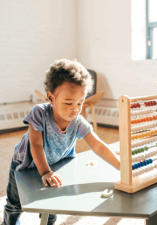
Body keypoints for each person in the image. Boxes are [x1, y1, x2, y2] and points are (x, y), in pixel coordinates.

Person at [2, 59, 120, 225]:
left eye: (80, 102)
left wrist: (122, 167)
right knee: (15, 205)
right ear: (51, 97)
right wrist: (44, 172)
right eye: (68, 103)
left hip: (55, 164)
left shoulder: (78, 121)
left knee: (51, 207)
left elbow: (98, 145)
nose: (75, 108)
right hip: (25, 165)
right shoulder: (39, 113)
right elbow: (36, 145)